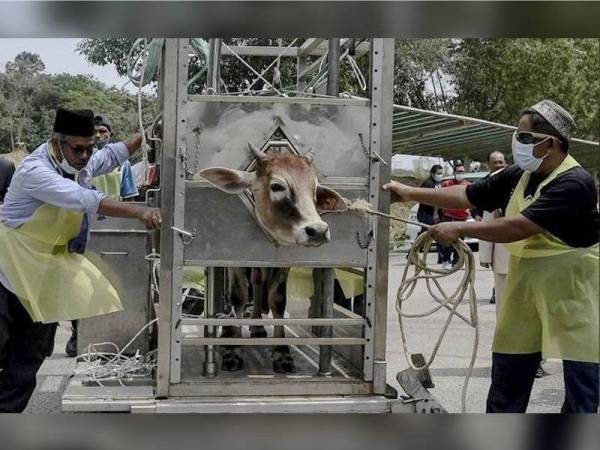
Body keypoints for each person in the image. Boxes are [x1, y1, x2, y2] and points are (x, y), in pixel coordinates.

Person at [383, 100, 599, 413]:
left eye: (524, 138)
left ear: (550, 144)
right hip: (527, 285)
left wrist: (459, 228)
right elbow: (469, 194)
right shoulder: (519, 175)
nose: (517, 144)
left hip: (575, 291)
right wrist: (410, 192)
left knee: (582, 385)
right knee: (509, 371)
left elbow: (519, 227)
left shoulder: (575, 182)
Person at [0, 108, 161, 412]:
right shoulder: (36, 171)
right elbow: (83, 199)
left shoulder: (77, 161)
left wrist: (146, 135)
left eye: (90, 148)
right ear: (56, 142)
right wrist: (139, 212)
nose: (86, 155)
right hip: (7, 268)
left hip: (42, 272)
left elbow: (111, 155)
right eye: (78, 148)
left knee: (28, 361)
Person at [64, 114, 139, 358]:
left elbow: (128, 194)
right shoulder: (74, 162)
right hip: (81, 227)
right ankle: (79, 332)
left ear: (110, 134)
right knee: (78, 283)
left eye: (103, 132)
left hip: (113, 228)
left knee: (109, 284)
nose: (99, 135)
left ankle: (108, 335)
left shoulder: (120, 164)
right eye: (95, 132)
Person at [438, 163, 471, 269]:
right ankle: (446, 260)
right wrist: (436, 213)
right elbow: (438, 198)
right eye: (458, 172)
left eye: (462, 172)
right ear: (454, 173)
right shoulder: (447, 184)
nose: (460, 174)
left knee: (459, 241)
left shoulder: (468, 185)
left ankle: (457, 261)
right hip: (448, 215)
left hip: (462, 217)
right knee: (447, 239)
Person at [416, 165, 444, 263]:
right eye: (438, 173)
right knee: (427, 234)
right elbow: (434, 199)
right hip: (427, 214)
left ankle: (442, 257)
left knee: (433, 234)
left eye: (441, 173)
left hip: (432, 213)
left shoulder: (437, 184)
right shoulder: (429, 184)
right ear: (432, 174)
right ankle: (413, 252)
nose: (440, 175)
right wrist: (435, 213)